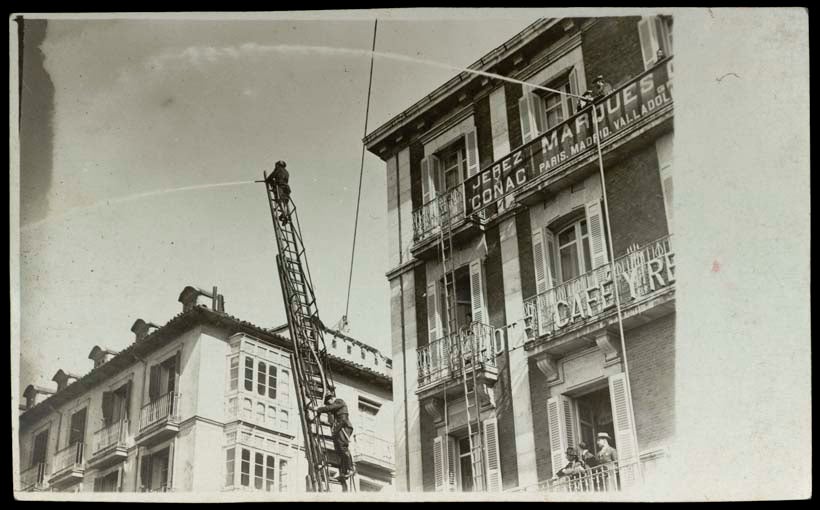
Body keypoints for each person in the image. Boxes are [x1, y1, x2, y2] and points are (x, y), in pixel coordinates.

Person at [314, 393, 356, 479]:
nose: (329, 404)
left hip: (344, 427)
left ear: (331, 399)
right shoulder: (336, 407)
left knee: (342, 447)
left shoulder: (339, 401)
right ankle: (345, 472)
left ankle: (351, 468)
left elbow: (331, 409)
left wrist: (318, 409)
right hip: (340, 427)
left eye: (329, 402)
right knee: (339, 449)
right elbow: (332, 416)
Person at [270, 160, 291, 225]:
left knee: (279, 200)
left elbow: (271, 176)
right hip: (287, 188)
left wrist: (268, 180)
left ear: (278, 165)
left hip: (280, 187)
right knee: (285, 201)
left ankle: (284, 216)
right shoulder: (287, 172)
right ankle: (285, 214)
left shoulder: (278, 169)